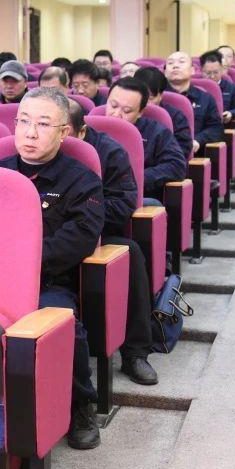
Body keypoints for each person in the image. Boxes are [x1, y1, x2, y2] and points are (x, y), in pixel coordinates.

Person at [0, 88, 104, 450]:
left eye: (42, 124)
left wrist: (20, 265)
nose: (30, 133)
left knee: (63, 320)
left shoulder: (81, 180)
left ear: (63, 132)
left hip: (47, 281)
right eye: (23, 122)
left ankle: (82, 405)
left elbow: (78, 239)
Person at [64, 98, 158, 385]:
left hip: (98, 232)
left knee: (130, 252)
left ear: (80, 131)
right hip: (47, 238)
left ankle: (135, 352)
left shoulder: (109, 151)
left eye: (60, 129)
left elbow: (124, 205)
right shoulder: (24, 152)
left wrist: (81, 219)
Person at [106, 77, 186, 202]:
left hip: (137, 197)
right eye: (113, 106)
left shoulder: (156, 132)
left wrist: (135, 179)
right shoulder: (90, 127)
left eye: (126, 111)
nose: (116, 114)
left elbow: (176, 166)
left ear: (140, 112)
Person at [165, 51, 222, 153]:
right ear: (165, 72)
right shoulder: (157, 98)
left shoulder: (205, 98)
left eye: (181, 62)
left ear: (192, 70)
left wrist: (198, 140)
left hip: (195, 154)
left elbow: (216, 129)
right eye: (170, 63)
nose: (175, 66)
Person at [135, 66, 194, 158]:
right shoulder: (127, 112)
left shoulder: (175, 116)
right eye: (140, 97)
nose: (144, 102)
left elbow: (183, 150)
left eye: (149, 98)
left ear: (160, 96)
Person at [201, 50, 235, 123]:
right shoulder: (195, 87)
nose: (212, 76)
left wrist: (231, 113)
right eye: (208, 73)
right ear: (202, 71)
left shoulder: (232, 88)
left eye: (216, 72)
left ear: (222, 70)